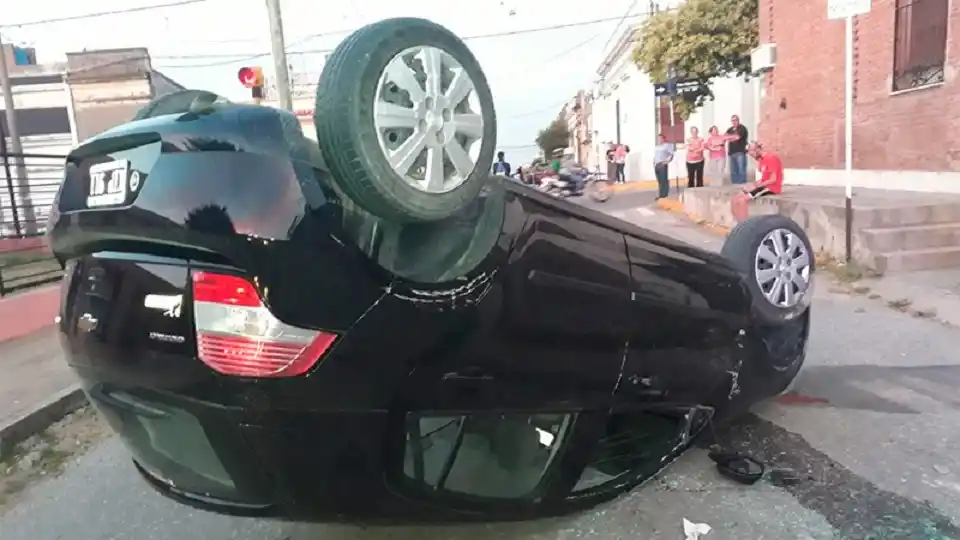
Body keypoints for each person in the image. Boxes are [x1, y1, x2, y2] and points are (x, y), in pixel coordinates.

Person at [730, 142, 783, 222]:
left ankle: (744, 226)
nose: (752, 156)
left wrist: (757, 186)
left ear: (758, 149)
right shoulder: (762, 160)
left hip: (771, 187)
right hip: (763, 185)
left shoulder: (771, 158)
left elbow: (773, 179)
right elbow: (764, 178)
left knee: (742, 200)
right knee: (734, 199)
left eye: (752, 153)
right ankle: (736, 225)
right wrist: (754, 184)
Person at [725, 115, 749, 185]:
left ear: (738, 120)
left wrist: (730, 137)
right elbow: (724, 137)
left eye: (735, 120)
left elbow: (737, 137)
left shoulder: (742, 128)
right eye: (732, 120)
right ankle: (735, 185)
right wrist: (731, 137)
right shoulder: (730, 129)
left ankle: (742, 185)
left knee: (741, 170)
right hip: (731, 153)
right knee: (733, 171)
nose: (734, 122)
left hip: (740, 152)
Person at [653, 133, 675, 200]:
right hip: (656, 165)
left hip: (662, 164)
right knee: (659, 181)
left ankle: (664, 195)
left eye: (660, 138)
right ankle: (660, 194)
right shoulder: (657, 147)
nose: (659, 140)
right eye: (658, 138)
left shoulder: (667, 146)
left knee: (664, 180)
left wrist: (667, 162)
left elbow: (671, 154)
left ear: (663, 139)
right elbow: (655, 156)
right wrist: (654, 162)